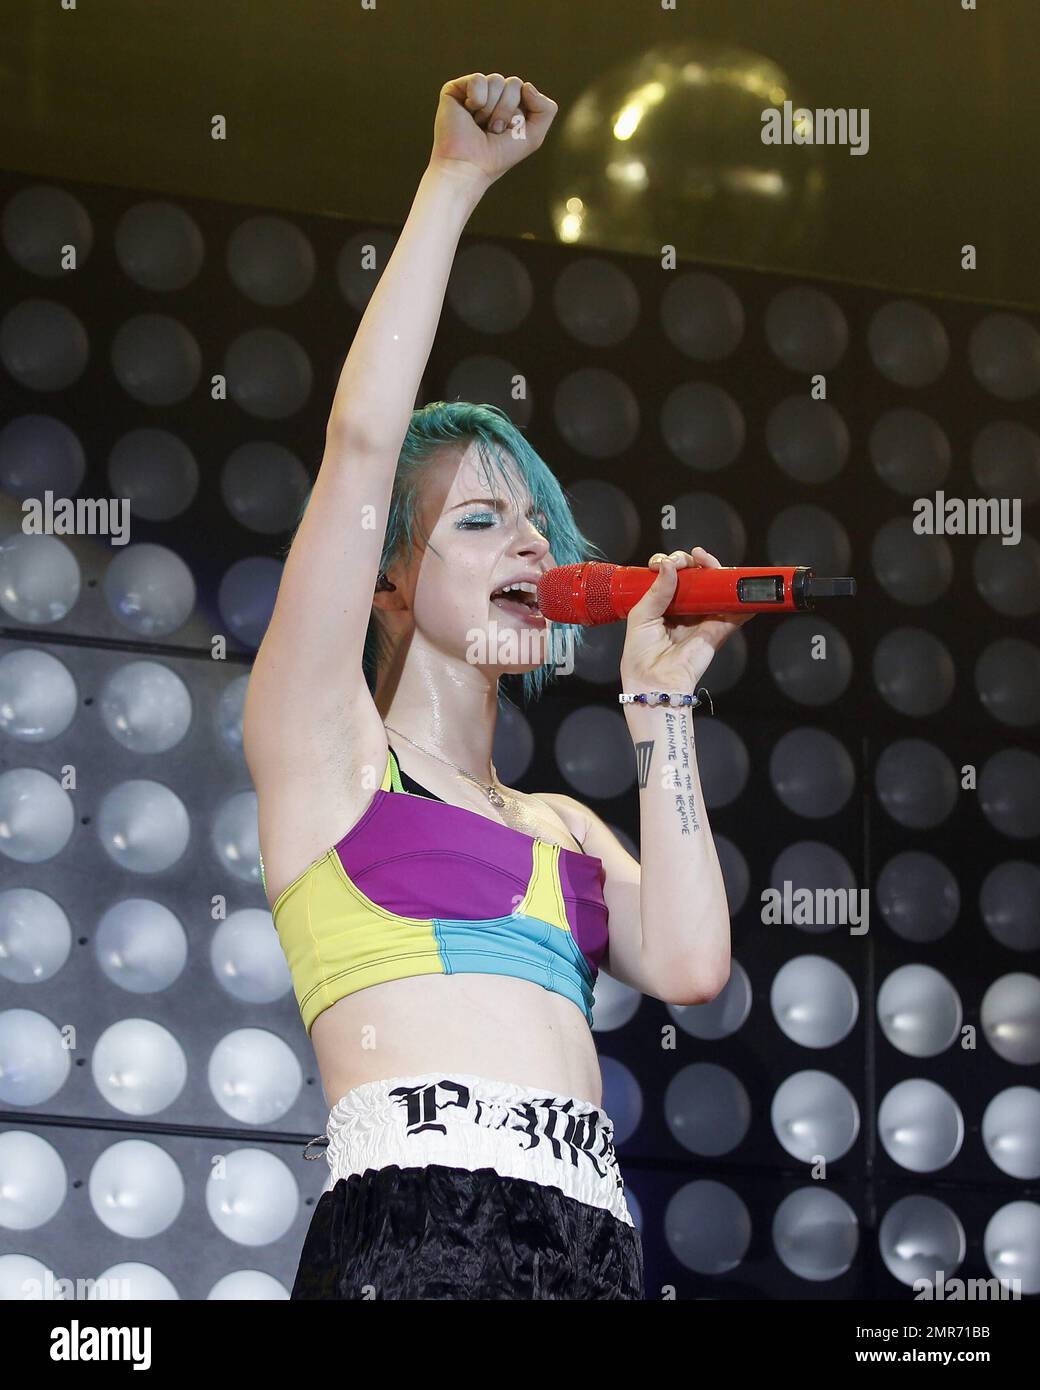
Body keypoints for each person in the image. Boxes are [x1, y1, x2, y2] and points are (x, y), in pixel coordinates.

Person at [243, 72, 753, 1300]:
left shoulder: (561, 826)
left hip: (591, 1244)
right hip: (419, 1231)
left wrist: (661, 705)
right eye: (480, 521)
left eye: (540, 526)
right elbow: (364, 445)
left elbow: (690, 964)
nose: (532, 547)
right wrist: (453, 183)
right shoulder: (330, 755)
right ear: (390, 582)